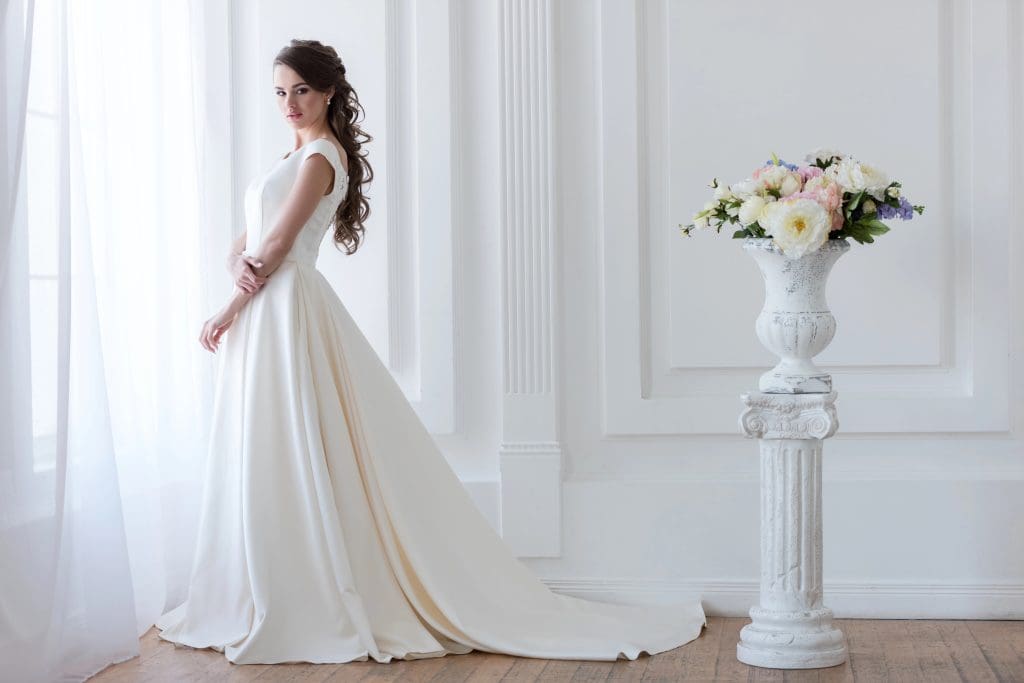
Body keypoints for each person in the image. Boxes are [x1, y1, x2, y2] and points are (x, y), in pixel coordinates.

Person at [155, 38, 705, 665]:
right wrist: (235, 271)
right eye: (280, 92)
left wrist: (226, 308)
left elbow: (275, 248)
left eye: (301, 90)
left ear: (329, 91)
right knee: (278, 444)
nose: (289, 103)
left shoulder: (318, 160)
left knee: (301, 441)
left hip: (286, 311)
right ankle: (270, 584)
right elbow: (244, 243)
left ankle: (312, 587)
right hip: (269, 312)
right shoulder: (294, 153)